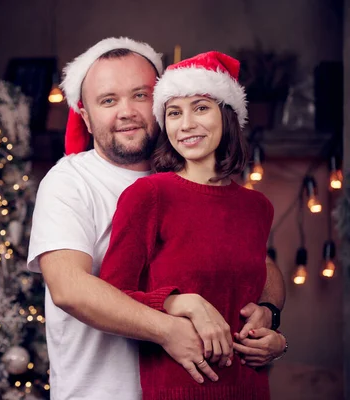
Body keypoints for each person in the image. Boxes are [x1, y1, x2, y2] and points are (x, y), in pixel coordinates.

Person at [27, 38, 286, 400]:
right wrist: (168, 327)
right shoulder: (70, 180)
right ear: (85, 115)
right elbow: (70, 289)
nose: (126, 111)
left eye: (140, 95)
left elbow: (260, 264)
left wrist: (268, 314)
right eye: (108, 100)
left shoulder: (194, 177)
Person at [99, 51, 279, 399]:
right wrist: (177, 302)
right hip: (179, 388)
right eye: (174, 113)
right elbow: (114, 294)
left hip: (251, 388)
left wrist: (275, 338)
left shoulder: (258, 207)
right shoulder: (149, 195)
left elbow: (255, 293)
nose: (186, 125)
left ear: (227, 116)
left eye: (200, 108)